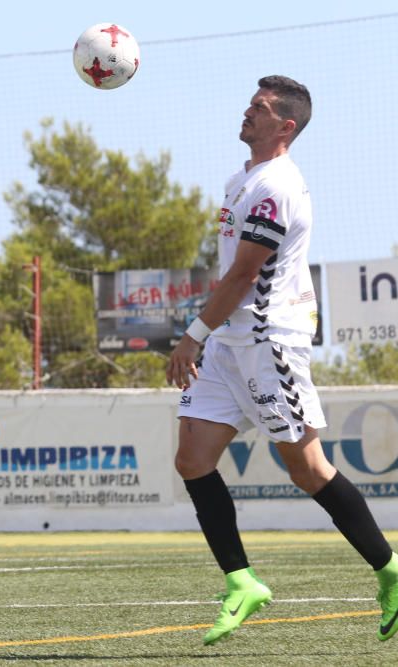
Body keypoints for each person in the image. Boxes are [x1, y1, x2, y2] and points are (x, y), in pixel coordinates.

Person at [167, 75, 398, 645]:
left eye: (260, 108)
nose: (247, 113)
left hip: (270, 344)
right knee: (193, 459)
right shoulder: (239, 179)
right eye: (249, 104)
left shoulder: (278, 187)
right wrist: (209, 336)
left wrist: (192, 334)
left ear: (285, 126)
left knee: (307, 469)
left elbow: (245, 276)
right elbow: (231, 275)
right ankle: (242, 582)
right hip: (230, 345)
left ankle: (391, 571)